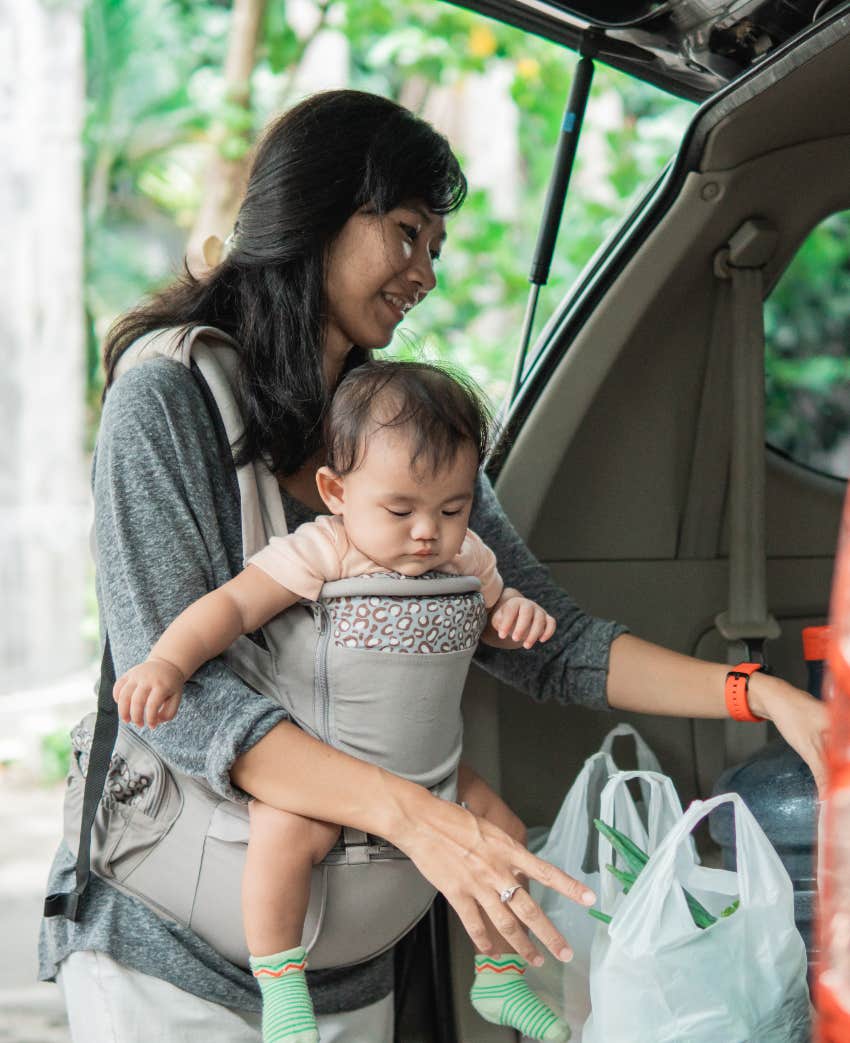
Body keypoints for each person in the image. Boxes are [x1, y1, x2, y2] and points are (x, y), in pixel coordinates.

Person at [39, 89, 827, 1043]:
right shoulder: (167, 397)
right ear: (317, 209)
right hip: (167, 965)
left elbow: (555, 643)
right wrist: (415, 813)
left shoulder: (395, 430)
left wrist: (759, 694)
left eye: (437, 251)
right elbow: (181, 697)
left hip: (354, 973)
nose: (425, 274)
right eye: (407, 233)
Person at [113, 358, 573, 1043]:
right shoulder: (325, 550)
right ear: (335, 490)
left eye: (452, 508)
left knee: (503, 831)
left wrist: (514, 621)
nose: (428, 531)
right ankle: (282, 986)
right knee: (282, 835)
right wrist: (167, 661)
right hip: (327, 762)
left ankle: (500, 976)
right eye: (401, 509)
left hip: (430, 771)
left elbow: (493, 612)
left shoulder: (467, 557)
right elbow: (234, 606)